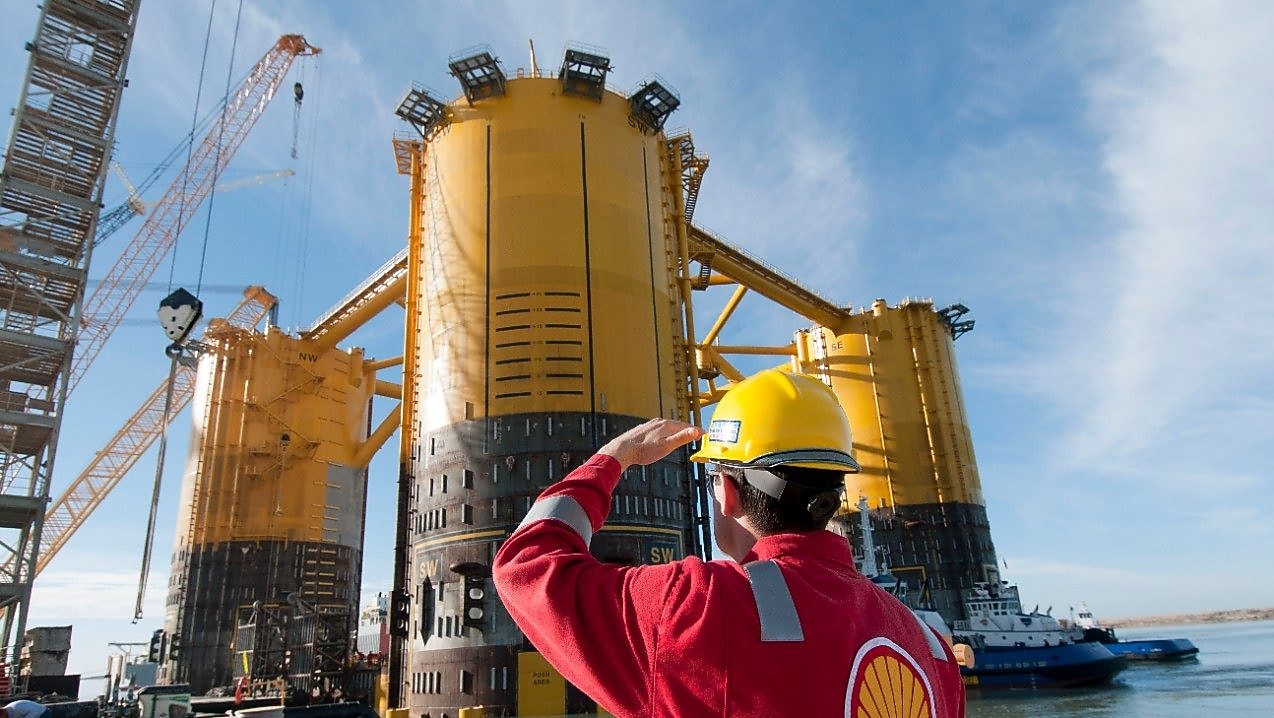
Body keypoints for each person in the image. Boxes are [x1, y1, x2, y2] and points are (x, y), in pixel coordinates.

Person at [493, 368, 966, 717]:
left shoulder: (701, 608)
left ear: (727, 491)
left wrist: (611, 457)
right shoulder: (929, 645)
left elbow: (526, 566)